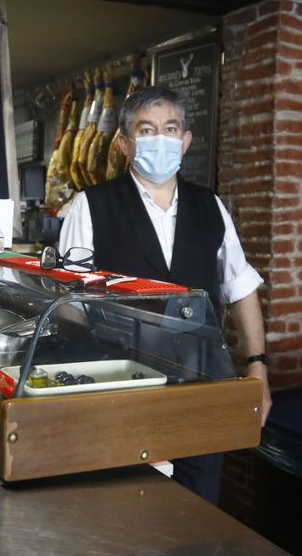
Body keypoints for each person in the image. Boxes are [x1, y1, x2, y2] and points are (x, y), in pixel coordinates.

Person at [57, 85, 271, 505]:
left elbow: (241, 287)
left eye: (170, 128)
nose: (161, 138)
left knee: (198, 505)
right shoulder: (92, 205)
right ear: (124, 143)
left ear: (186, 140)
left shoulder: (211, 206)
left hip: (203, 386)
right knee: (129, 506)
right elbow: (69, 306)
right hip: (121, 389)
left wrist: (258, 367)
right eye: (147, 129)